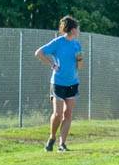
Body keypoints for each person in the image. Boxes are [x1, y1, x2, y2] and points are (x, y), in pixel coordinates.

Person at [35, 16, 83, 152]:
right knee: (58, 113)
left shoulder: (77, 45)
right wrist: (52, 64)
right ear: (73, 29)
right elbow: (39, 53)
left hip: (73, 83)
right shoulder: (58, 42)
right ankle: (52, 137)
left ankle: (62, 144)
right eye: (78, 28)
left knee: (68, 114)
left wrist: (79, 60)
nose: (79, 31)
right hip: (58, 83)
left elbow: (80, 66)